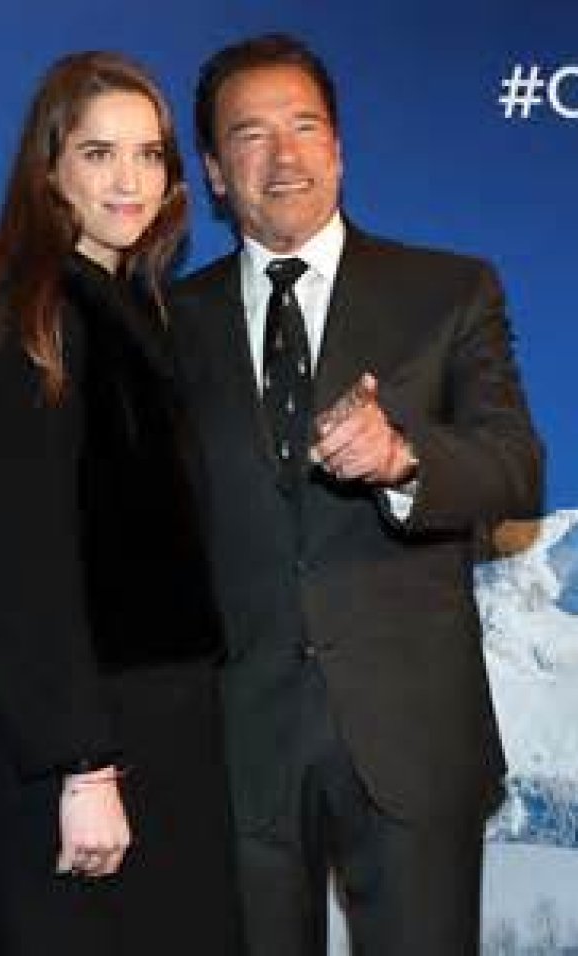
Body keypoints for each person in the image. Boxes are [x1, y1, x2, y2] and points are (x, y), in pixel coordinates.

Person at [170, 33, 543, 956]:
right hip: (234, 750)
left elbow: (515, 467)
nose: (283, 156)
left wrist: (406, 459)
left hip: (411, 741)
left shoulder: (448, 290)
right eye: (250, 135)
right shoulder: (166, 325)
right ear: (214, 171)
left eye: (305, 127)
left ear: (338, 148)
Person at [0, 51, 242, 956]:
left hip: (162, 729)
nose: (128, 180)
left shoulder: (127, 306)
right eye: (99, 153)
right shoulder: (29, 323)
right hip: (88, 742)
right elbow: (18, 566)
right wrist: (83, 765)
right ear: (50, 170)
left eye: (148, 155)